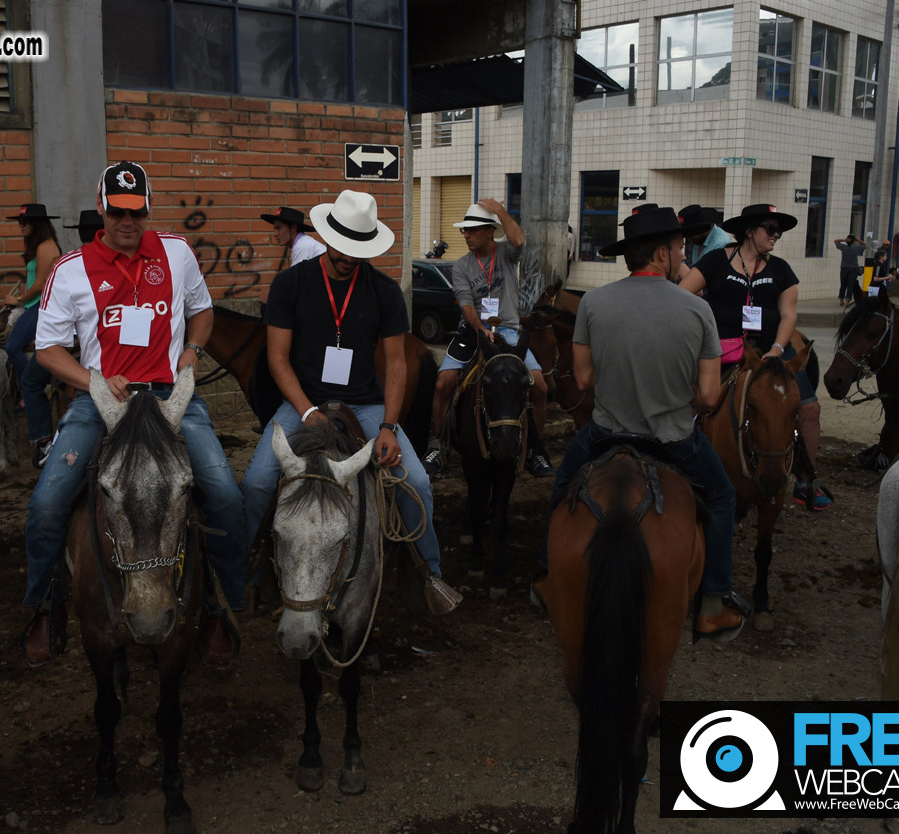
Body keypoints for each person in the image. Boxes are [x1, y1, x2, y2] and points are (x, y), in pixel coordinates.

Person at [23, 162, 247, 669]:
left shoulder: (176, 253)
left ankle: (222, 606)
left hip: (171, 398)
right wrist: (94, 382)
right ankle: (46, 603)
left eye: (137, 212)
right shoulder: (71, 269)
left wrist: (193, 347)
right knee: (46, 503)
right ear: (101, 207)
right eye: (119, 212)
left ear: (147, 208)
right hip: (98, 403)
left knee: (227, 496)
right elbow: (48, 351)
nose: (128, 221)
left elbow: (203, 309)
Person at [240, 189, 462, 616]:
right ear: (326, 237)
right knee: (255, 483)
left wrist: (390, 427)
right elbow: (277, 359)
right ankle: (241, 573)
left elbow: (396, 364)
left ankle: (429, 574)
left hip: (365, 403)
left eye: (358, 248)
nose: (348, 255)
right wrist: (306, 411)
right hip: (302, 402)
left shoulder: (383, 291)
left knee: (415, 482)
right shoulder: (291, 284)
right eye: (342, 245)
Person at [535, 206, 746, 641]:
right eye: (680, 249)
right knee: (724, 497)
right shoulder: (696, 310)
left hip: (605, 434)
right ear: (662, 253)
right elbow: (707, 397)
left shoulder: (593, 302)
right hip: (673, 440)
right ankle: (711, 604)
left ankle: (545, 577)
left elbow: (584, 379)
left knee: (561, 486)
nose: (683, 256)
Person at [679, 203, 833, 511]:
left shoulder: (781, 270)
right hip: (723, 351)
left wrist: (777, 348)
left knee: (809, 408)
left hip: (772, 351)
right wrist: (704, 329)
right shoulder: (715, 262)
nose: (776, 236)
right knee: (693, 402)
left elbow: (789, 314)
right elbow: (683, 293)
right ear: (749, 231)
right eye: (770, 229)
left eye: (779, 231)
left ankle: (805, 480)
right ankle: (686, 467)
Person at [422, 199, 554, 479]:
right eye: (464, 231)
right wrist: (479, 328)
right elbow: (466, 303)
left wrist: (500, 212)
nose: (466, 235)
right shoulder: (461, 267)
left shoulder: (505, 253)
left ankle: (534, 449)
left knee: (539, 386)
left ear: (489, 231)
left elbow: (518, 239)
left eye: (472, 229)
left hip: (508, 330)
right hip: (472, 331)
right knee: (444, 383)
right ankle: (439, 444)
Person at [2, 204, 64, 467]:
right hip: (32, 304)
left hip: (41, 305)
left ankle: (35, 386)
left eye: (25, 221)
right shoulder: (39, 246)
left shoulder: (46, 246)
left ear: (36, 223)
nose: (21, 225)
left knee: (13, 346)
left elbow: (40, 285)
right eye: (20, 221)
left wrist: (17, 299)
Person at [261, 206, 325, 271]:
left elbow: (296, 278)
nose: (275, 234)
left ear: (293, 228)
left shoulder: (302, 246)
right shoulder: (302, 243)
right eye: (275, 229)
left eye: (278, 228)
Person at [678, 204, 734, 276]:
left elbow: (707, 277)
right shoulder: (699, 240)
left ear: (704, 229)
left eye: (691, 234)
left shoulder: (720, 245)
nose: (689, 238)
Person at [834, 233, 866, 308]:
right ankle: (847, 301)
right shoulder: (857, 248)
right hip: (854, 268)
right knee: (850, 285)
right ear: (854, 241)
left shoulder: (843, 247)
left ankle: (841, 299)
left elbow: (835, 241)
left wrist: (844, 240)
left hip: (844, 267)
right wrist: (858, 240)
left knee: (843, 284)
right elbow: (865, 245)